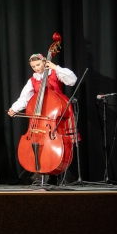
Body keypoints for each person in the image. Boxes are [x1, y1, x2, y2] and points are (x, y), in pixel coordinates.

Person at [8, 53, 79, 183]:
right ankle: (43, 168)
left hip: (58, 111)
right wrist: (14, 108)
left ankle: (62, 169)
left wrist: (55, 67)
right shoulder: (32, 80)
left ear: (44, 62)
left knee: (64, 141)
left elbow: (72, 80)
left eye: (38, 65)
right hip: (40, 116)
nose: (36, 68)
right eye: (33, 66)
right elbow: (24, 98)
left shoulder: (55, 73)